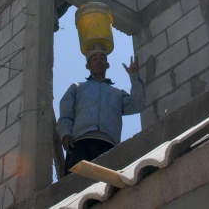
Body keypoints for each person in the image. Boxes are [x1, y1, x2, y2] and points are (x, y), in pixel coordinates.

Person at [56, 44, 146, 176]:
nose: (99, 61)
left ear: (107, 64)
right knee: (75, 185)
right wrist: (65, 134)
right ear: (88, 65)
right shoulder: (77, 88)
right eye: (94, 59)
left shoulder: (118, 93)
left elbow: (138, 105)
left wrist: (134, 77)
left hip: (109, 145)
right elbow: (65, 115)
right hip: (81, 143)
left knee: (106, 186)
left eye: (102, 58)